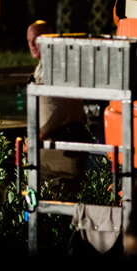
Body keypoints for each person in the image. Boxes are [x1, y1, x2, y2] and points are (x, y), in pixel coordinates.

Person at [28, 20, 87, 194]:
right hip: (46, 147)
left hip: (63, 145)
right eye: (28, 40)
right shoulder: (41, 68)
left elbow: (64, 106)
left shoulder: (60, 67)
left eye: (36, 39)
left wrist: (40, 134)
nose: (32, 44)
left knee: (62, 191)